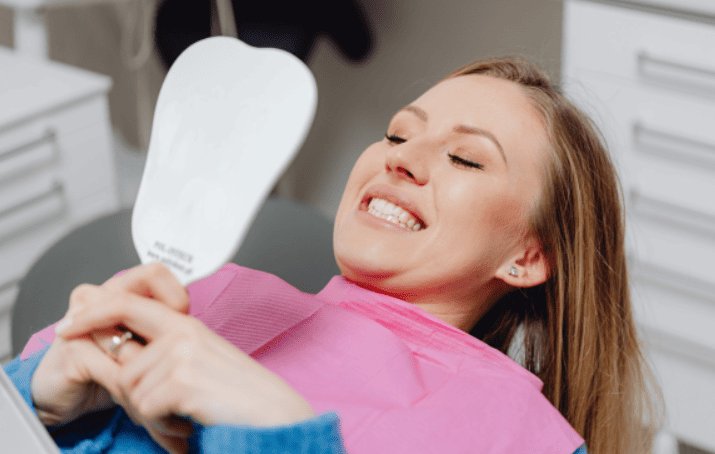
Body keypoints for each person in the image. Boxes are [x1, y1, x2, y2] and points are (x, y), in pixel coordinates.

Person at [5, 57, 658, 453]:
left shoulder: (514, 435)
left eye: (465, 158)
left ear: (527, 257)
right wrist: (33, 398)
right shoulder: (205, 290)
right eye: (396, 134)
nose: (401, 157)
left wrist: (281, 437)